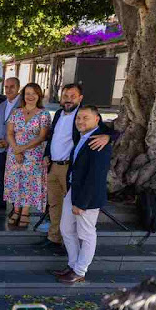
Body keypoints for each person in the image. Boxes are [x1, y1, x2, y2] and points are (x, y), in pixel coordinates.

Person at [40, 83, 112, 250]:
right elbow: (53, 137)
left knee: (70, 210)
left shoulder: (82, 115)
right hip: (53, 166)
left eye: (73, 96)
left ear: (80, 98)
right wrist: (47, 155)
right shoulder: (58, 113)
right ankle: (53, 238)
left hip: (69, 169)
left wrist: (108, 137)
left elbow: (108, 130)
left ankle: (70, 245)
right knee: (55, 204)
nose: (68, 99)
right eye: (65, 96)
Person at [50, 105, 112, 284]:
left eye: (86, 118)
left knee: (86, 234)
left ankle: (80, 270)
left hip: (88, 197)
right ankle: (73, 264)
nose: (81, 121)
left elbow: (95, 176)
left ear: (97, 119)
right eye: (79, 118)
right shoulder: (84, 136)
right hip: (74, 190)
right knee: (66, 229)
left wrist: (82, 203)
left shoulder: (99, 141)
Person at [4, 83, 51, 228]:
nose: (30, 96)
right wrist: (16, 150)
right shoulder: (16, 112)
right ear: (23, 96)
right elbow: (10, 133)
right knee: (15, 181)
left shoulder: (43, 114)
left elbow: (42, 137)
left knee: (29, 184)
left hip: (33, 155)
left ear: (39, 96)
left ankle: (25, 211)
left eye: (34, 93)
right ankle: (16, 210)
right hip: (14, 153)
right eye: (27, 93)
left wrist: (22, 149)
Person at [0, 77, 21, 211]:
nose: (9, 89)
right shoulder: (2, 104)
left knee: (14, 177)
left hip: (13, 148)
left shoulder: (22, 104)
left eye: (12, 86)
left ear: (18, 88)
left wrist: (8, 143)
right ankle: (0, 201)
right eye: (7, 87)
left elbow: (21, 129)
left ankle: (16, 207)